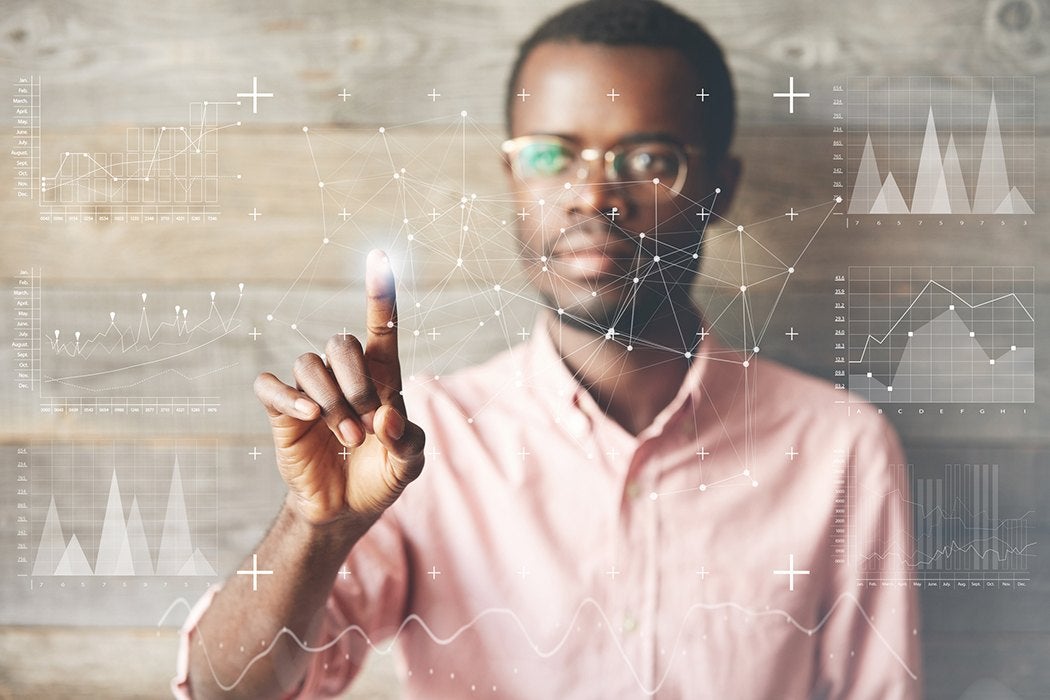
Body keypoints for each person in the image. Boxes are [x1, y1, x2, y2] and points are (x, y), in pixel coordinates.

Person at [175, 0, 921, 697]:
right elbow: (227, 690)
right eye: (548, 157)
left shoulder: (839, 451)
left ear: (719, 189)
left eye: (649, 159)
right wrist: (316, 527)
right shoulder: (414, 443)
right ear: (511, 178)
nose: (591, 195)